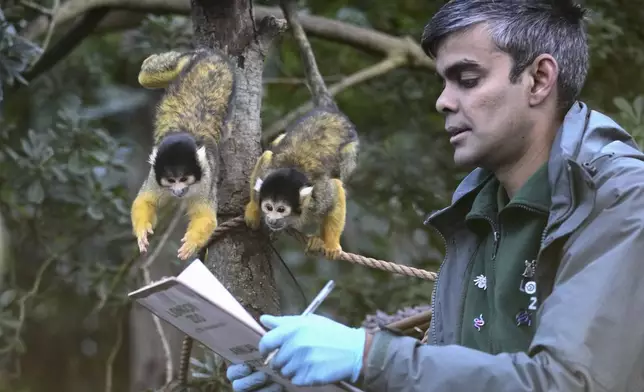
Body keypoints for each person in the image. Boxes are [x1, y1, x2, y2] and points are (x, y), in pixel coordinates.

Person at [227, 0, 644, 391]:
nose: (443, 101)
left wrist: (370, 356)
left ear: (538, 79)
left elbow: (569, 383)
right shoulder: (475, 210)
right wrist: (318, 380)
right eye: (443, 83)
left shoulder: (621, 199)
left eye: (467, 79)